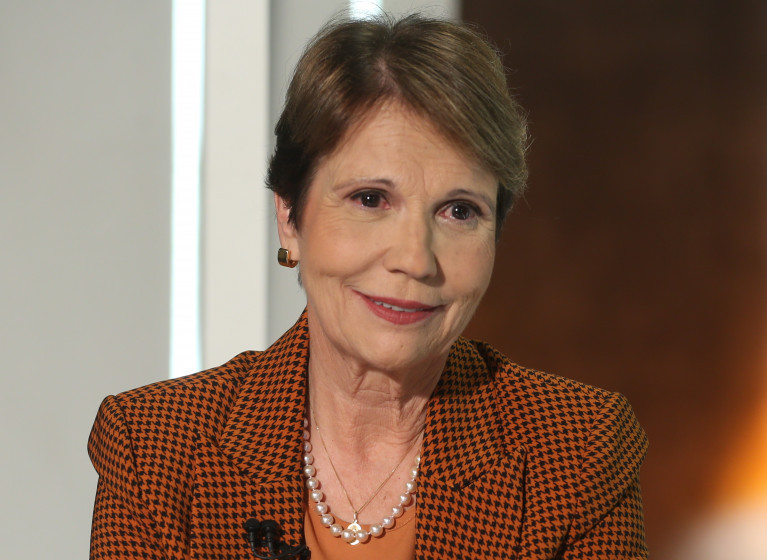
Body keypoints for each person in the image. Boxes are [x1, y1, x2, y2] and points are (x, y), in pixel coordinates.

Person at [88, 13, 648, 560]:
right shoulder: (157, 450)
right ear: (290, 216)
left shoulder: (577, 451)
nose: (415, 259)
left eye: (459, 210)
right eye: (371, 199)